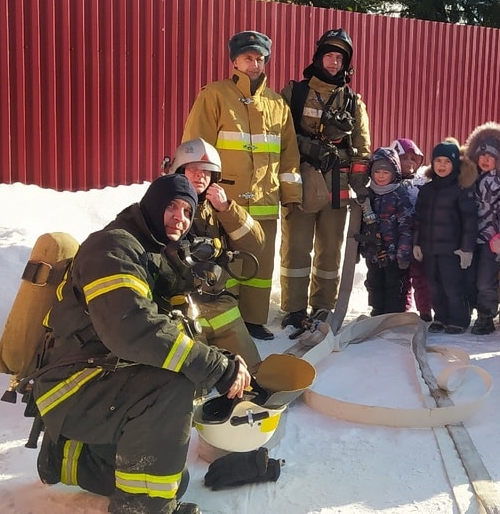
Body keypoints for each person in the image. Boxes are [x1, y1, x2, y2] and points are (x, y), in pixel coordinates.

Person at [33, 174, 251, 514]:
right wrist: (213, 366)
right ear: (151, 204)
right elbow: (132, 328)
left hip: (102, 372)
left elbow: (168, 329)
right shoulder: (113, 248)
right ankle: (142, 507)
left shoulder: (153, 252)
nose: (180, 218)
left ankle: (70, 458)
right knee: (173, 385)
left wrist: (219, 356)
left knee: (171, 478)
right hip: (70, 384)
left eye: (187, 212)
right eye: (172, 207)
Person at [183, 30, 302, 341]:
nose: (254, 63)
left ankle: (253, 319)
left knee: (260, 267)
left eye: (260, 58)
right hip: (224, 200)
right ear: (234, 60)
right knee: (224, 261)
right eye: (248, 57)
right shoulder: (214, 95)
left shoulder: (278, 104)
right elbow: (198, 146)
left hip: (265, 199)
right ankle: (226, 319)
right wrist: (198, 189)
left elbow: (290, 154)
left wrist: (290, 194)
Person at [278, 29, 372, 332]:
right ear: (318, 57)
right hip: (302, 179)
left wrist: (359, 182)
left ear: (346, 64)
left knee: (330, 248)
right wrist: (309, 146)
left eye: (339, 57)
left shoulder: (354, 101)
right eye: (329, 55)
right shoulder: (295, 92)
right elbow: (281, 134)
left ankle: (323, 306)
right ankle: (294, 308)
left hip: (337, 185)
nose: (333, 62)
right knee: (296, 246)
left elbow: (363, 146)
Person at [170, 137, 265, 368]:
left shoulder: (220, 209)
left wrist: (226, 210)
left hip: (221, 306)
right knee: (195, 380)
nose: (200, 175)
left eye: (206, 171)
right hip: (182, 307)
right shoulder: (165, 205)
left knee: (252, 372)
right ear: (180, 170)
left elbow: (256, 244)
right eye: (193, 169)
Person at [412, 139, 478, 334]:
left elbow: (470, 222)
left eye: (447, 161)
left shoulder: (461, 191)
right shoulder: (426, 190)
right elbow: (418, 219)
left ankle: (459, 319)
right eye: (438, 161)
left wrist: (467, 248)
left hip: (452, 250)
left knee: (452, 286)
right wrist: (417, 243)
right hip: (429, 248)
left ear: (455, 164)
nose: (442, 165)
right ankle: (440, 317)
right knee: (434, 285)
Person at [463, 122, 500, 335]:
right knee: (469, 277)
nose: (486, 160)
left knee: (486, 280)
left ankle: (486, 315)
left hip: (491, 240)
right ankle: (471, 311)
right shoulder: (469, 179)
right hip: (469, 237)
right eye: (482, 155)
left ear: (499, 159)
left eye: (491, 156)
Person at [357, 147, 415, 316]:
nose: (381, 176)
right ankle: (377, 309)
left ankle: (394, 313)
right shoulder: (368, 195)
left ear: (394, 173)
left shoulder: (399, 195)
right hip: (372, 251)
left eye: (385, 172)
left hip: (394, 253)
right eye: (377, 172)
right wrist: (358, 248)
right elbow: (359, 224)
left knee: (394, 283)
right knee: (374, 282)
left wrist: (404, 253)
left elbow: (406, 226)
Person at [392, 137, 432, 321]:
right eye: (404, 158)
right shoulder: (387, 183)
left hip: (417, 239)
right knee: (400, 278)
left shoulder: (422, 184)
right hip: (395, 240)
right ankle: (401, 310)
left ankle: (424, 311)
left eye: (413, 159)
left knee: (420, 277)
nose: (409, 163)